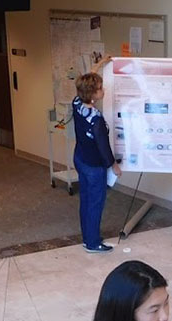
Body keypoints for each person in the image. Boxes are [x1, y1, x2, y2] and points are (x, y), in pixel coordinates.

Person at [72, 54, 120, 254]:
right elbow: (103, 147)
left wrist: (100, 64)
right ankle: (92, 242)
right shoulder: (96, 119)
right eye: (100, 88)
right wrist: (113, 165)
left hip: (80, 159)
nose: (103, 89)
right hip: (93, 166)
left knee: (85, 200)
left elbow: (86, 80)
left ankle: (87, 237)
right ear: (93, 94)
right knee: (96, 203)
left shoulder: (77, 103)